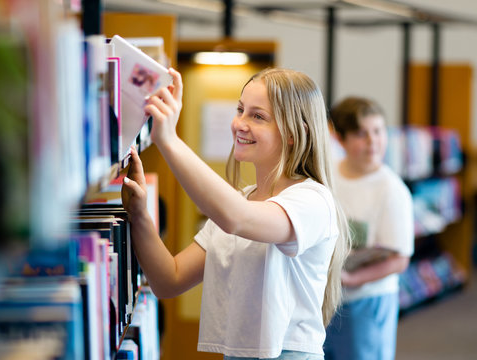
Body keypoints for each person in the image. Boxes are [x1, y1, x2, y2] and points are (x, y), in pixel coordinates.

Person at [122, 67, 350, 360]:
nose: (240, 124)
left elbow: (237, 218)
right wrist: (139, 215)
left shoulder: (312, 200)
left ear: (295, 133)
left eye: (258, 116)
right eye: (240, 110)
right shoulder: (241, 201)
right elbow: (169, 280)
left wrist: (169, 140)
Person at [324, 96, 414, 360]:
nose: (372, 141)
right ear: (340, 139)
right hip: (327, 301)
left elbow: (399, 260)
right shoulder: (327, 176)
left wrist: (351, 280)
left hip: (367, 302)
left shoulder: (392, 190)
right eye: (361, 134)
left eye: (378, 131)